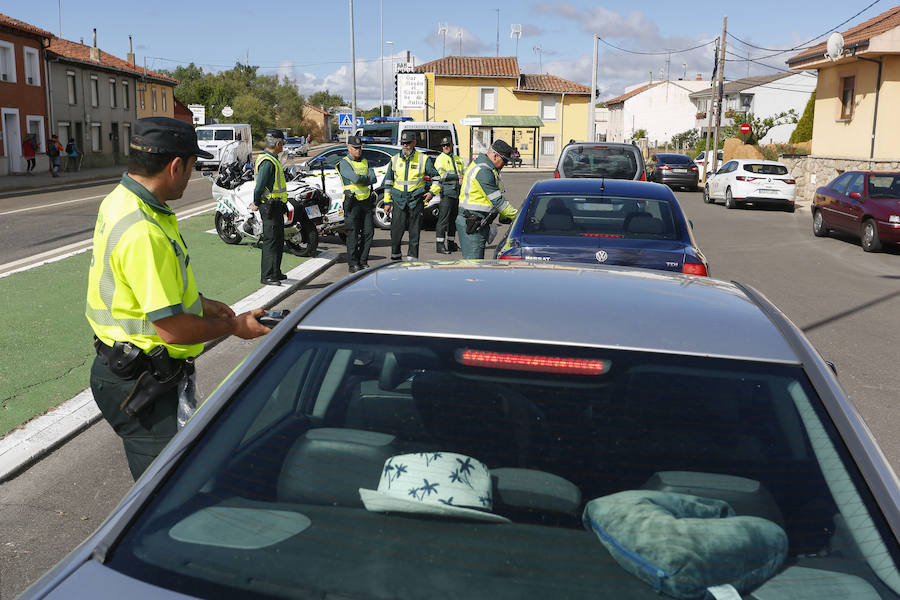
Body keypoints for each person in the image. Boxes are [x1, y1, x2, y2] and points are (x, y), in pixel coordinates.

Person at [86, 116, 270, 479]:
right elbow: (171, 329)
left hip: (124, 368)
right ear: (174, 166)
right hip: (141, 381)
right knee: (163, 492)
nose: (192, 174)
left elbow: (142, 286)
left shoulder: (121, 200)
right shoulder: (143, 230)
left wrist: (201, 303)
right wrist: (234, 325)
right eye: (192, 165)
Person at [456, 139, 519, 259]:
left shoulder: (485, 167)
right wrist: (519, 216)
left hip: (475, 221)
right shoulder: (484, 171)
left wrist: (505, 215)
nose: (505, 164)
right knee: (474, 267)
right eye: (505, 160)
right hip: (472, 223)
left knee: (474, 265)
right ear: (495, 156)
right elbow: (499, 202)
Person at [383, 130, 440, 260]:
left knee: (414, 233)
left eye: (408, 143)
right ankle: (395, 256)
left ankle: (412, 260)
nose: (405, 146)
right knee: (396, 231)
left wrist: (432, 193)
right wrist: (387, 202)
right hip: (398, 200)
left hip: (416, 200)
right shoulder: (395, 159)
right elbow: (388, 182)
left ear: (414, 143)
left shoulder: (423, 159)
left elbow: (437, 178)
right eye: (403, 143)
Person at [338, 135, 377, 273]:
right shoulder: (344, 163)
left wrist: (364, 179)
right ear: (349, 148)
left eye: (360, 148)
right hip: (352, 202)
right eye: (355, 148)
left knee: (369, 233)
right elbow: (355, 178)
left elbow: (374, 178)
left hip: (366, 201)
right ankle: (353, 263)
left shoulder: (365, 161)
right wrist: (366, 179)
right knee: (353, 234)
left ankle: (363, 261)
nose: (358, 150)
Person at [254, 129, 288, 286]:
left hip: (276, 206)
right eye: (283, 144)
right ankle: (267, 275)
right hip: (269, 207)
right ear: (278, 143)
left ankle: (276, 272)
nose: (283, 147)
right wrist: (256, 201)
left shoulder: (273, 159)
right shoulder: (268, 162)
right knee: (271, 241)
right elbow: (259, 187)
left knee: (278, 240)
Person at [432, 135, 465, 254]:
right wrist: (458, 177)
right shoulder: (440, 159)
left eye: (447, 145)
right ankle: (440, 245)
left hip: (457, 193)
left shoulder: (458, 159)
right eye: (443, 145)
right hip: (446, 193)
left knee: (453, 220)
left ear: (452, 145)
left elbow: (464, 173)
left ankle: (451, 243)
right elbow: (442, 175)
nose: (445, 147)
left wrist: (462, 178)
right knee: (443, 220)